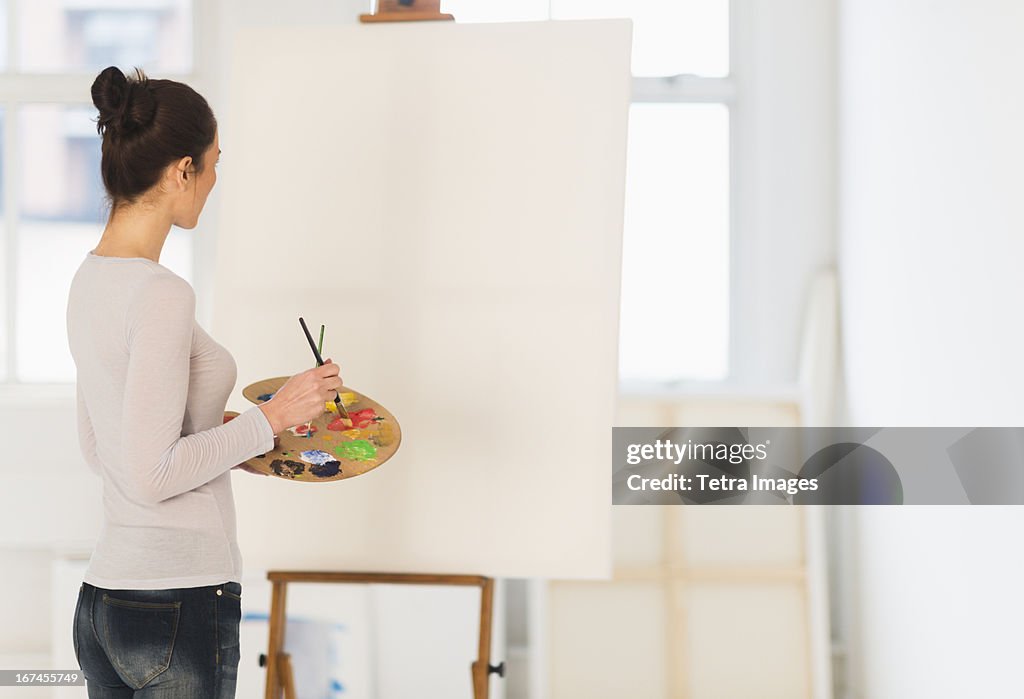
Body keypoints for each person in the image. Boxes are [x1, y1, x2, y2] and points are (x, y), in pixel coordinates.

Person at [67, 65, 341, 698]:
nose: (216, 182)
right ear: (181, 170)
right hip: (178, 602)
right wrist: (272, 417)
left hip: (106, 603)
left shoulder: (90, 281)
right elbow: (152, 471)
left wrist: (236, 438)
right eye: (214, 164)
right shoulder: (161, 294)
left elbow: (103, 446)